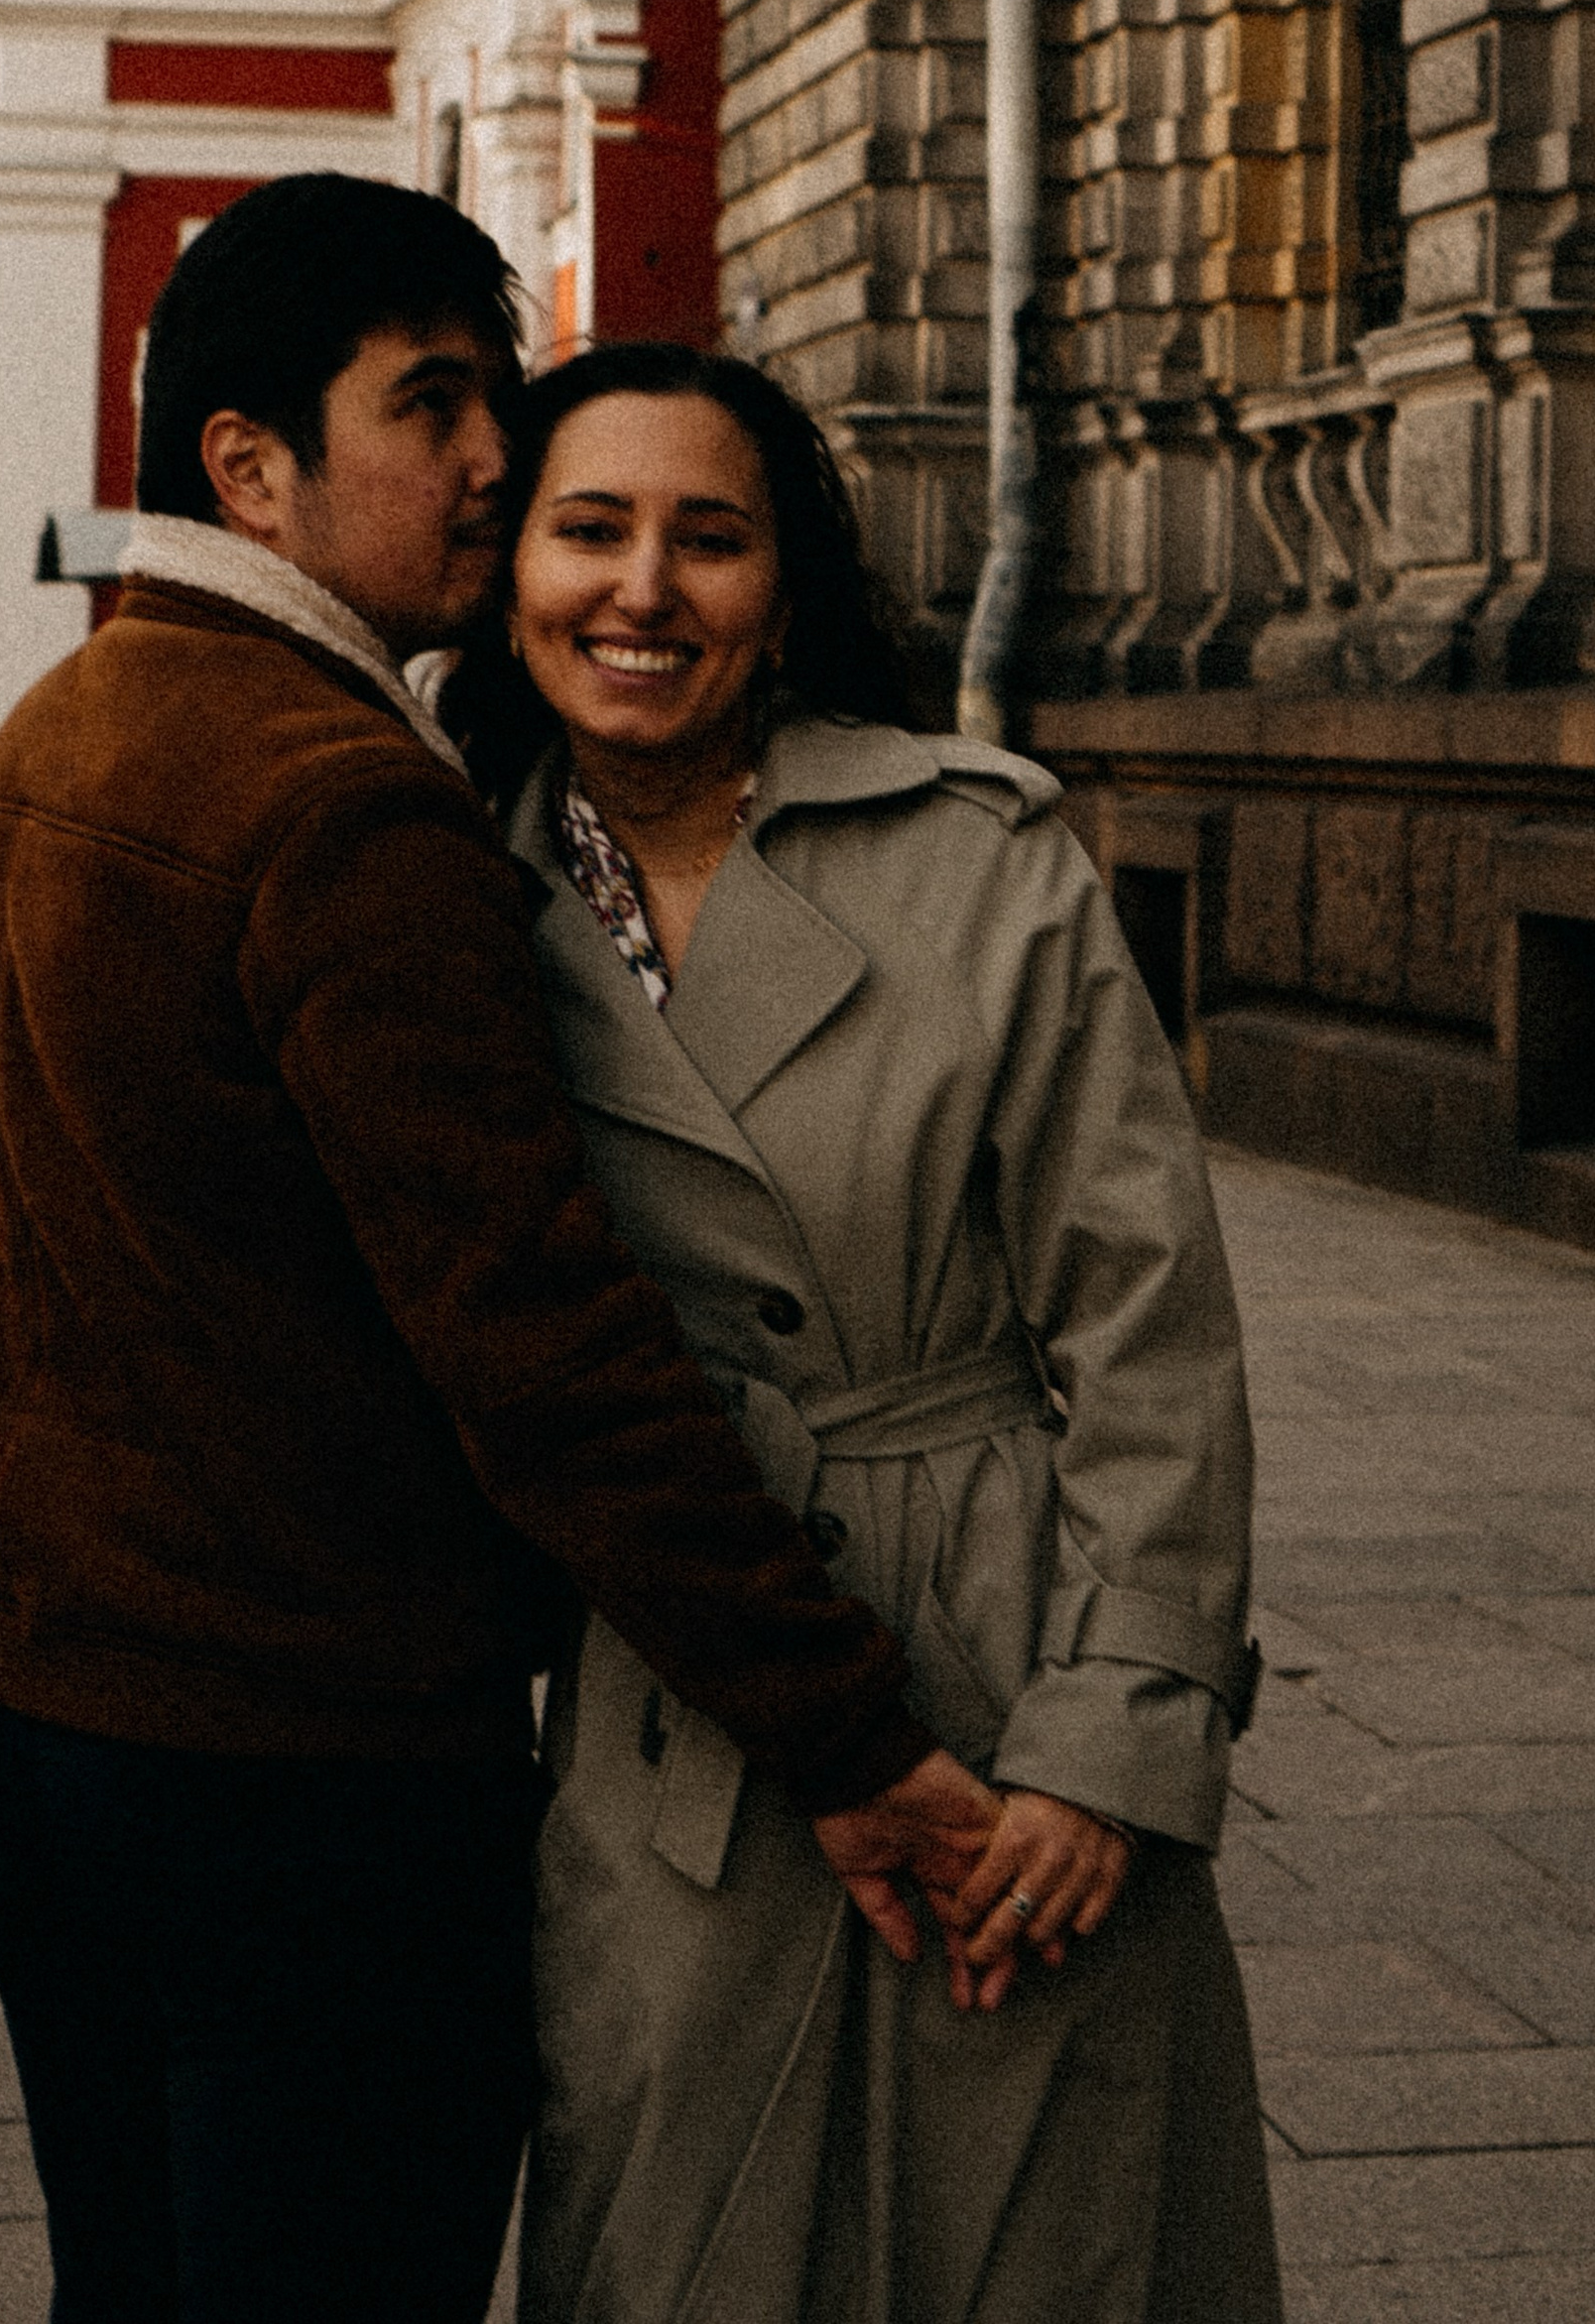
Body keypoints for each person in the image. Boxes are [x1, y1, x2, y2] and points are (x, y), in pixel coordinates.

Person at [0, 181, 1002, 2324]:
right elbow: (544, 1351)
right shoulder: (341, 806)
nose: (494, 456)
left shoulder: (64, 729)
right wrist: (850, 1735)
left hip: (36, 1727)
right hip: (296, 1783)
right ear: (249, 462)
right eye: (428, 402)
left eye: (490, 392)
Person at [445, 340, 1285, 2324]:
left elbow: (1144, 1318)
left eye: (706, 539)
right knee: (678, 2243)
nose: (639, 589)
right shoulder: (439, 900)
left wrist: (1114, 1741)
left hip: (1002, 1689)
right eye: (588, 530)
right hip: (676, 1711)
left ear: (786, 588)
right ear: (508, 575)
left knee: (1036, 2241)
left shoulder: (974, 858)